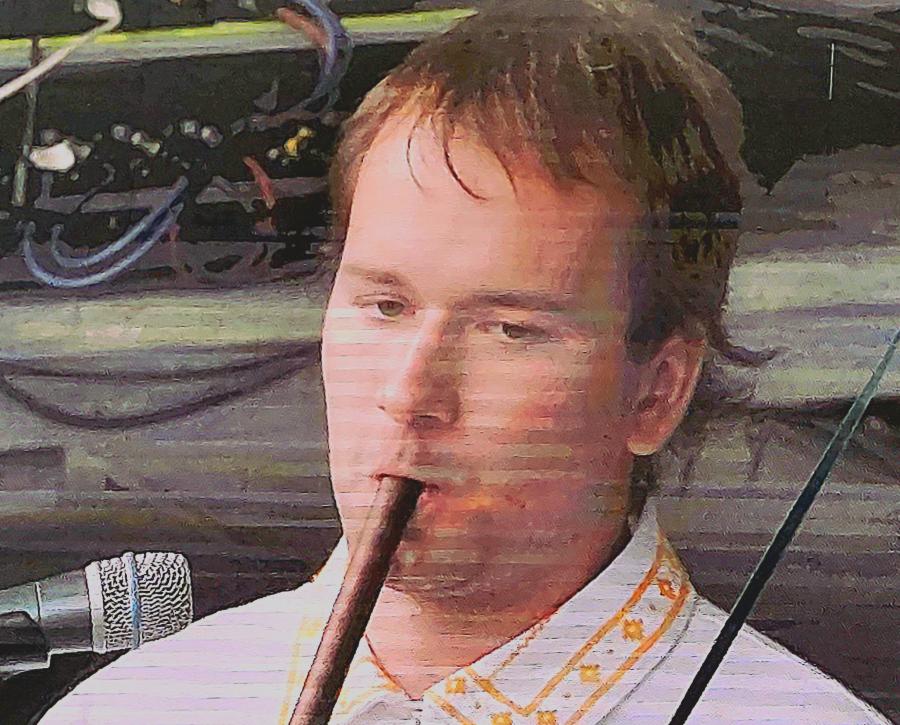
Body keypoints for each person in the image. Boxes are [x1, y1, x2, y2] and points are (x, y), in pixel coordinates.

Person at [41, 1, 891, 723]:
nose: (410, 392)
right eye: (385, 306)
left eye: (510, 328)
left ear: (656, 392)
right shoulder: (131, 708)